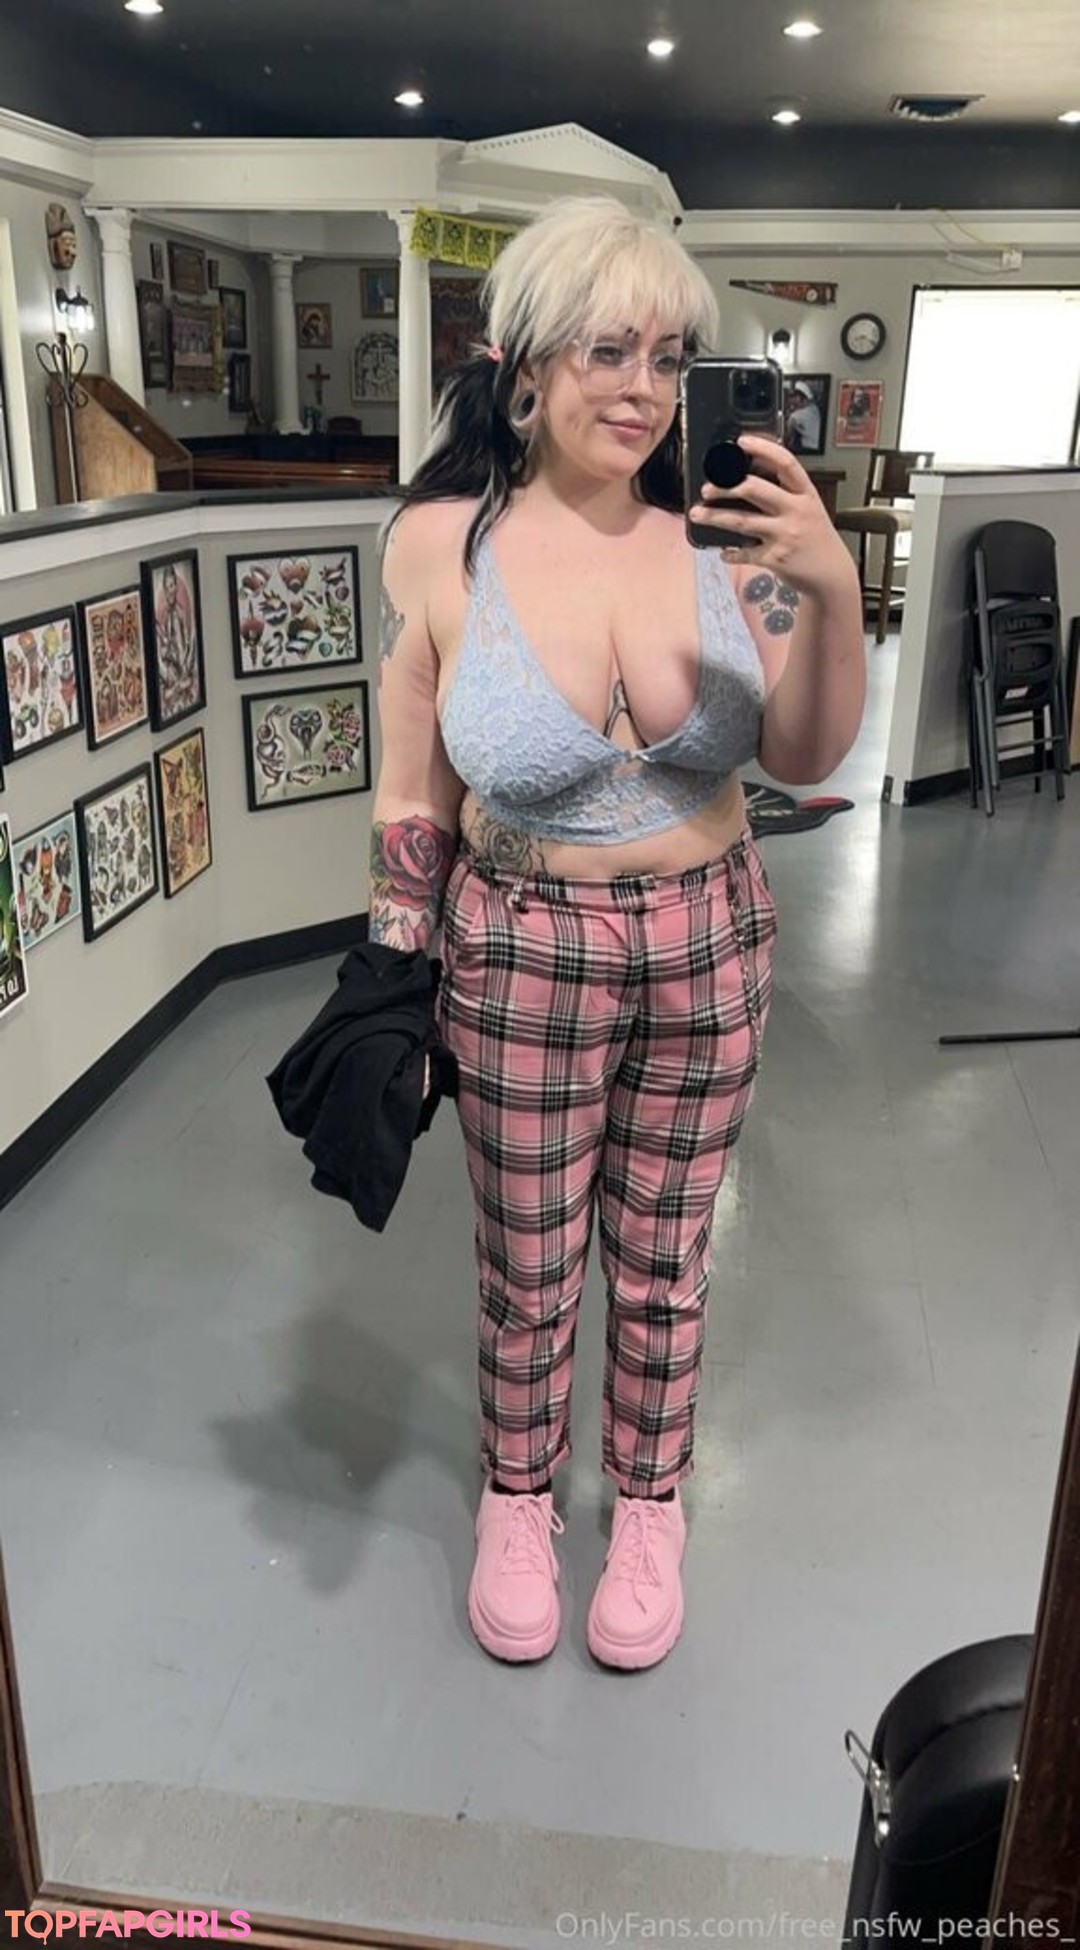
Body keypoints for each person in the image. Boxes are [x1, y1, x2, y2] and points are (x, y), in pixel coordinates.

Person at [370, 196, 865, 1672]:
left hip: (710, 942)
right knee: (526, 1260)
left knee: (663, 1257)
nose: (642, 388)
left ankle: (647, 1505)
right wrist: (387, 970)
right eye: (605, 349)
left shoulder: (728, 536)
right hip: (517, 945)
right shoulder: (439, 545)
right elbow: (413, 780)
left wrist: (828, 581)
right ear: (525, 364)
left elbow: (806, 750)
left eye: (668, 355)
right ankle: (518, 1497)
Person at [785, 378, 821, 454]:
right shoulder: (815, 408)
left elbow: (789, 438)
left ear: (798, 398)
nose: (791, 401)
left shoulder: (794, 417)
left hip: (807, 449)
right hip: (818, 447)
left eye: (792, 396)